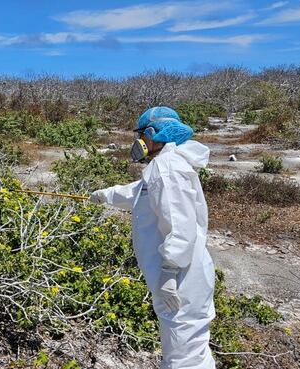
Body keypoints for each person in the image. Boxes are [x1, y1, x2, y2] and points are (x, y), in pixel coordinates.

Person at [90, 106, 216, 369]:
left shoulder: (167, 167)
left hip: (179, 280)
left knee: (183, 358)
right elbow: (140, 192)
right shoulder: (167, 164)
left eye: (141, 134)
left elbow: (180, 224)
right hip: (184, 275)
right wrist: (105, 195)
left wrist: (170, 271)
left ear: (151, 133)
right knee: (192, 351)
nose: (138, 141)